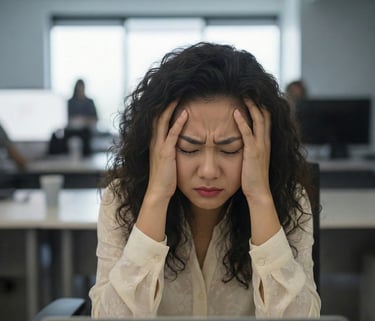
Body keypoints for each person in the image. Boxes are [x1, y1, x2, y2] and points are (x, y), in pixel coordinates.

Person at [89, 42, 321, 318]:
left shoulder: (289, 200)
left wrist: (259, 198)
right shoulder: (121, 200)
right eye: (188, 149)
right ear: (156, 145)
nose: (209, 171)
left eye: (230, 149)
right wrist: (156, 199)